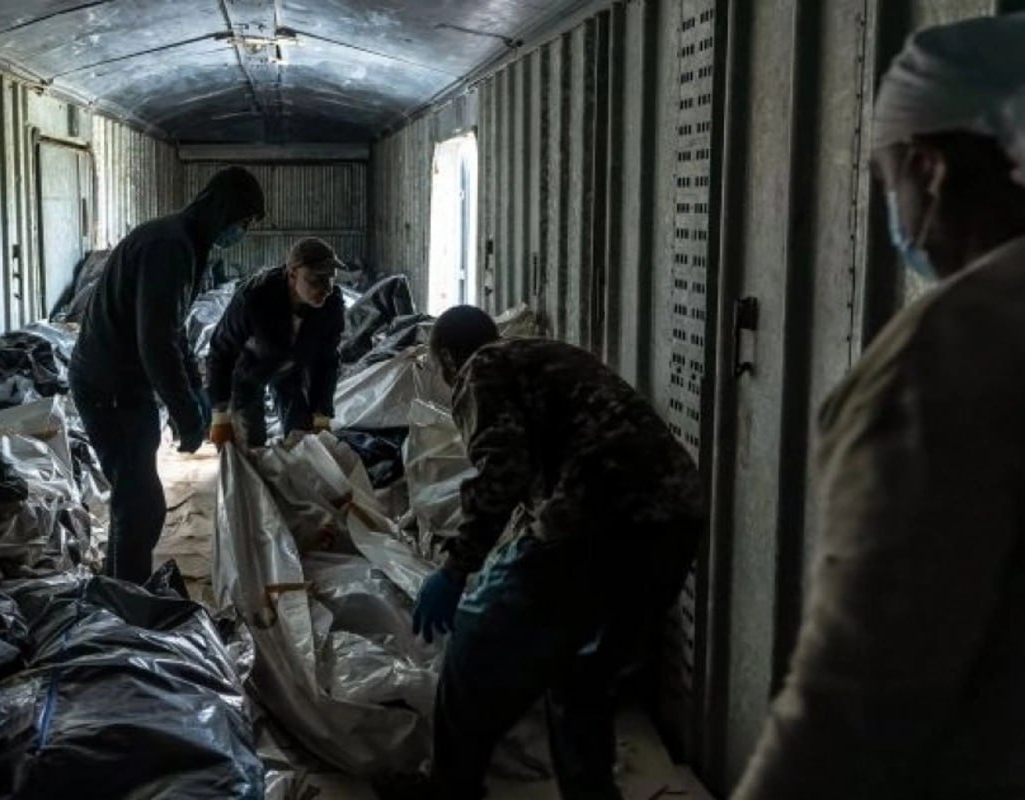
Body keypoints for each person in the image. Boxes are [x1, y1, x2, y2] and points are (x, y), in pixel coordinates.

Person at [734, 14, 1025, 799]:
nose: (889, 204)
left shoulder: (952, 350)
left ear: (928, 168)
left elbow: (852, 706)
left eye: (885, 177)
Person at [408, 306, 704, 800]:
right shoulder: (545, 357)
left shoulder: (482, 367)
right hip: (674, 521)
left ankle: (448, 791)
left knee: (474, 643)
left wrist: (457, 569)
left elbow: (503, 471)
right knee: (581, 676)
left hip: (598, 515)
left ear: (447, 358)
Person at [69, 167, 265, 584]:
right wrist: (185, 412)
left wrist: (196, 392)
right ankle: (127, 601)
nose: (242, 233)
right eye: (243, 222)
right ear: (224, 211)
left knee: (133, 500)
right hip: (110, 387)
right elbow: (155, 341)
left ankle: (118, 591)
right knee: (140, 505)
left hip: (120, 383)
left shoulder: (184, 242)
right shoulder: (170, 248)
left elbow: (174, 333)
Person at [204, 237, 345, 448]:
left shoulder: (330, 304)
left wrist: (322, 415)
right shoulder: (254, 297)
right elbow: (221, 352)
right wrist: (220, 416)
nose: (326, 288)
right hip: (249, 369)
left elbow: (327, 360)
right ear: (292, 274)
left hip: (292, 370)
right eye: (316, 279)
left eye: (331, 279)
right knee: (250, 446)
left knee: (305, 440)